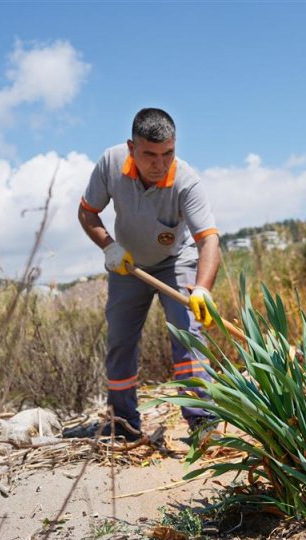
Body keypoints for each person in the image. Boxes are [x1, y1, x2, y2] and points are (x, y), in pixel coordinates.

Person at [75, 108, 220, 441]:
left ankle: (203, 423)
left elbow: (208, 239)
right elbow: (87, 212)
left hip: (175, 262)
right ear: (131, 148)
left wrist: (202, 289)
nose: (160, 163)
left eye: (168, 153)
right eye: (150, 155)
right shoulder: (110, 164)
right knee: (120, 343)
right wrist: (109, 247)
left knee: (188, 337)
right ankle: (124, 425)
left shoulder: (186, 181)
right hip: (128, 266)